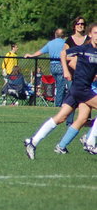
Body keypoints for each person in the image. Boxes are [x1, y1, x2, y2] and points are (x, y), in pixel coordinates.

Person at [24, 23, 97, 158]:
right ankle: (90, 142)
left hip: (80, 89)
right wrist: (65, 71)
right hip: (80, 88)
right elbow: (63, 53)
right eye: (95, 33)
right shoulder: (84, 49)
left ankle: (33, 141)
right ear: (90, 35)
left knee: (63, 118)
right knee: (74, 118)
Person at [24, 29, 66, 106]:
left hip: (52, 66)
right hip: (61, 65)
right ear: (63, 35)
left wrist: (31, 55)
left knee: (57, 86)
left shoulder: (50, 43)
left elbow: (40, 52)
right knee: (61, 87)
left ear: (55, 35)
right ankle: (59, 105)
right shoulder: (65, 43)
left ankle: (60, 102)